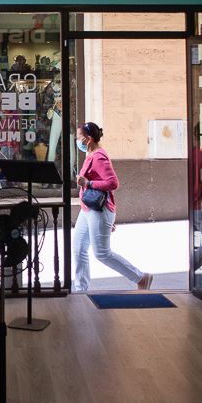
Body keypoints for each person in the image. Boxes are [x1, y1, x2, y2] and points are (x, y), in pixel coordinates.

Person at [73, 121, 153, 292]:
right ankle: (80, 290)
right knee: (79, 248)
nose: (76, 141)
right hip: (88, 209)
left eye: (78, 138)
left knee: (102, 253)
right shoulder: (91, 154)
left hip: (99, 210)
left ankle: (140, 277)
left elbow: (113, 183)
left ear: (88, 139)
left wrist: (88, 183)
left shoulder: (99, 156)